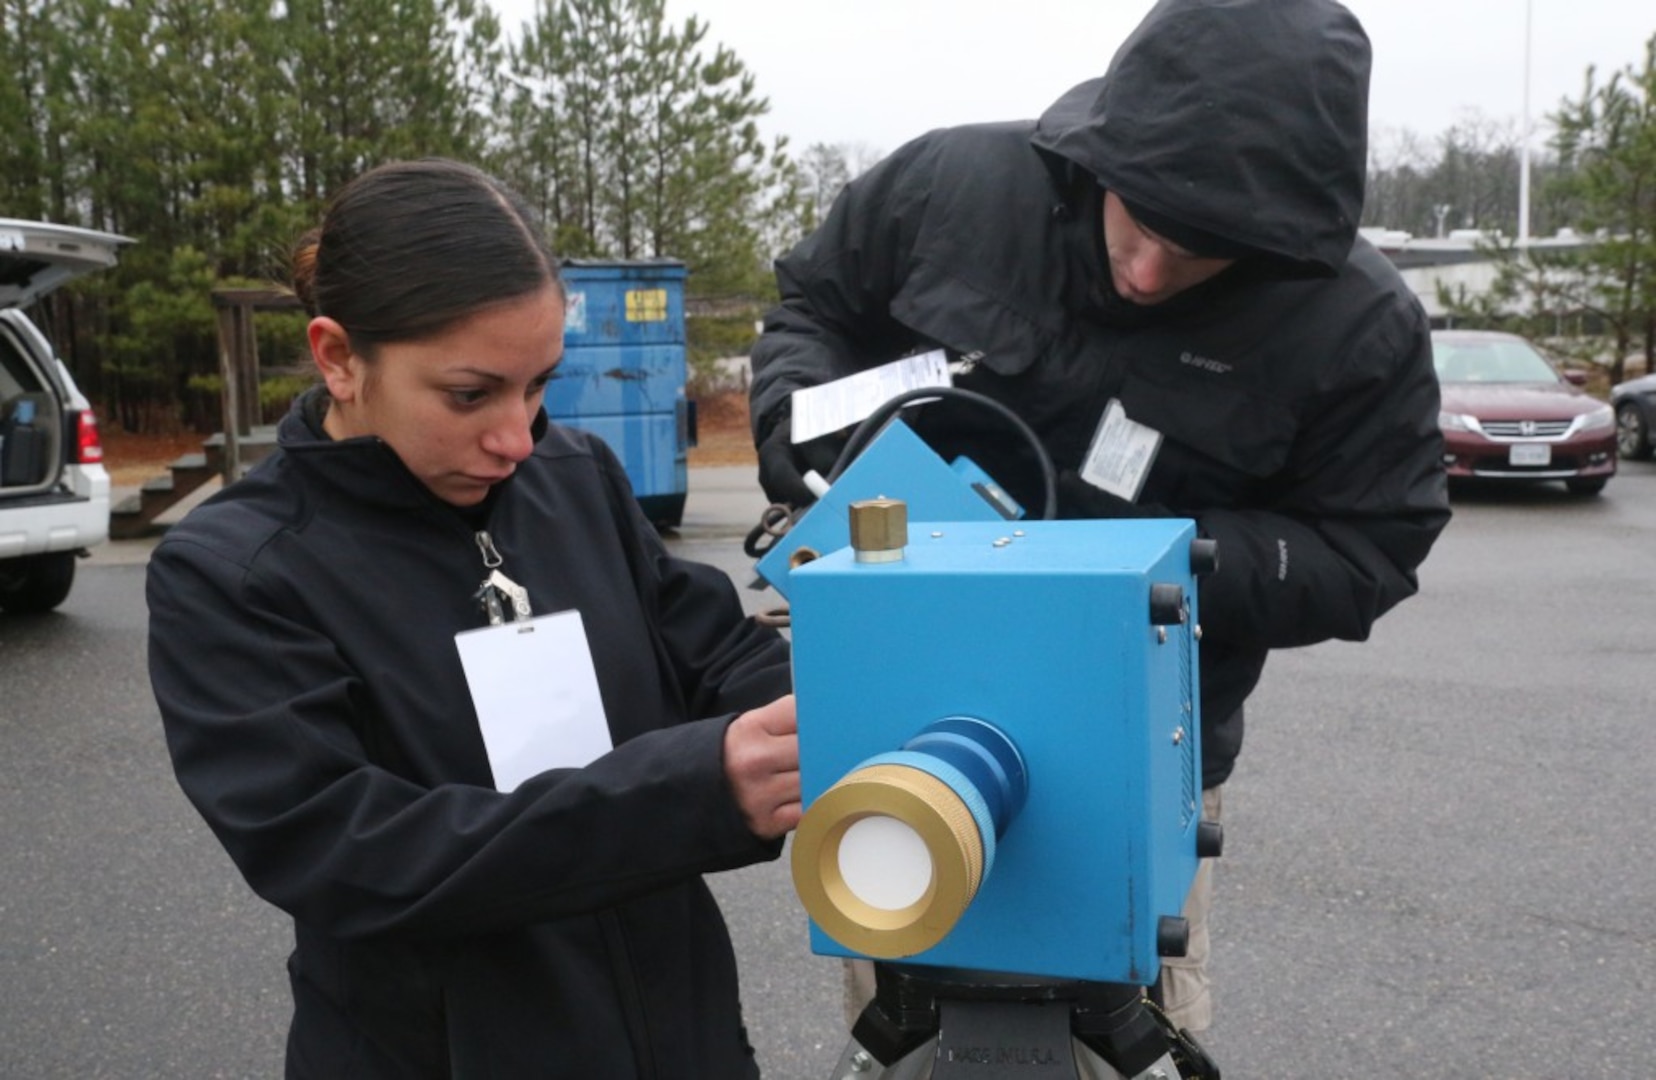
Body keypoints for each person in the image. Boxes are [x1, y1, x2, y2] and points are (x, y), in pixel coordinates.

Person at [748, 0, 1451, 1035]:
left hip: (1140, 755)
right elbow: (812, 307)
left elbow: (1369, 548)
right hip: (903, 731)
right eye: (1143, 222)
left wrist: (1139, 573)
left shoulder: (1355, 324)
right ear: (1098, 156)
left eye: (1204, 251)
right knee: (904, 1010)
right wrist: (805, 443)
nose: (1152, 272)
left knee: (1112, 1027)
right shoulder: (949, 187)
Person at [148, 158, 801, 1079]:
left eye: (538, 385)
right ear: (339, 357)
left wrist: (840, 697)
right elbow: (349, 853)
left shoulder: (575, 479)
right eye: (470, 393)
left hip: (676, 1036)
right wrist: (694, 790)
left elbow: (716, 654)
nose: (516, 437)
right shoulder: (238, 572)